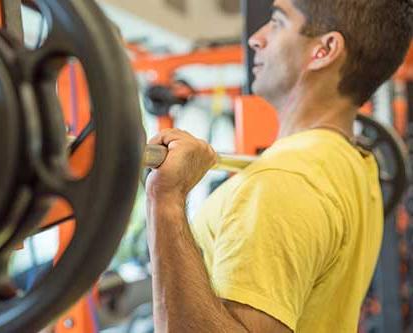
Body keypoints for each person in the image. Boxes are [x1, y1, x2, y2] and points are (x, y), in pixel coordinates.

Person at [145, 0, 413, 332]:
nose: (256, 38)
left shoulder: (282, 181)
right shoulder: (358, 163)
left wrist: (166, 199)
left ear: (324, 49)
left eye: (277, 22)